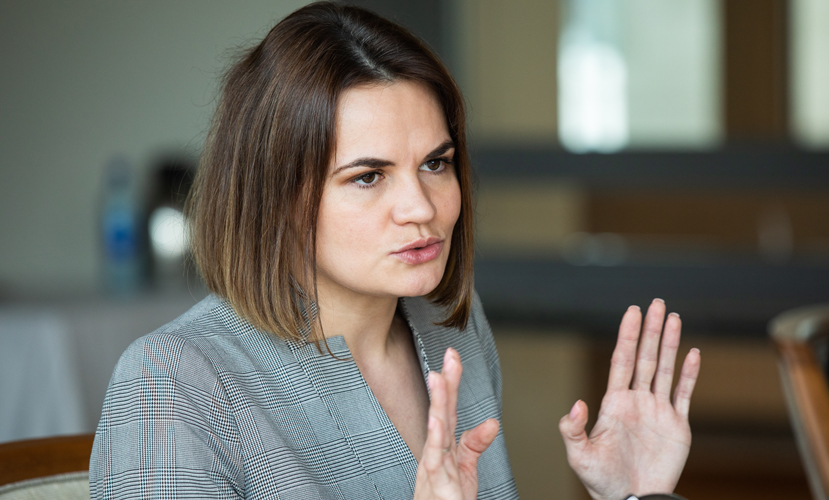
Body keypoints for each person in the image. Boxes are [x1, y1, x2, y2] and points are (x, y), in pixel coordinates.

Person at [89, 3, 701, 499]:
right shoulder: (175, 382)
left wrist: (632, 496)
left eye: (436, 163)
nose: (422, 207)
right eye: (368, 176)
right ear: (274, 196)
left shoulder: (451, 331)